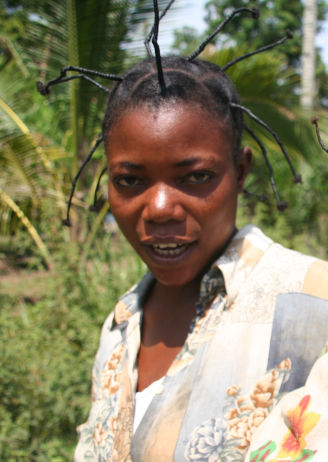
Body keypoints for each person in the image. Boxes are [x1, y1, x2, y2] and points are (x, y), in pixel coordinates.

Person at [37, 6, 328, 461]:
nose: (158, 209)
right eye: (130, 181)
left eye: (194, 177)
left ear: (241, 170)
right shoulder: (120, 326)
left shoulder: (313, 305)